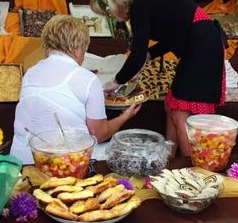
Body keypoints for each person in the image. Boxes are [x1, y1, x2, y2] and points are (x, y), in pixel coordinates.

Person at [89, 0, 225, 156]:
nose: (113, 18)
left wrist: (114, 82)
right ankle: (168, 159)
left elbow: (136, 57)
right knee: (172, 107)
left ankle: (192, 167)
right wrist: (150, 54)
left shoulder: (140, 7)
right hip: (201, 47)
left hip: (202, 50)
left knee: (180, 113)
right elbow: (173, 35)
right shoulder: (145, 1)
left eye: (108, 14)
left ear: (114, 3)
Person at [10, 15, 141, 164]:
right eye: (85, 49)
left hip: (20, 160)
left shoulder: (30, 73)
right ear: (77, 48)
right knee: (130, 150)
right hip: (63, 163)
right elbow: (98, 134)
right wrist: (124, 117)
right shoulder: (88, 79)